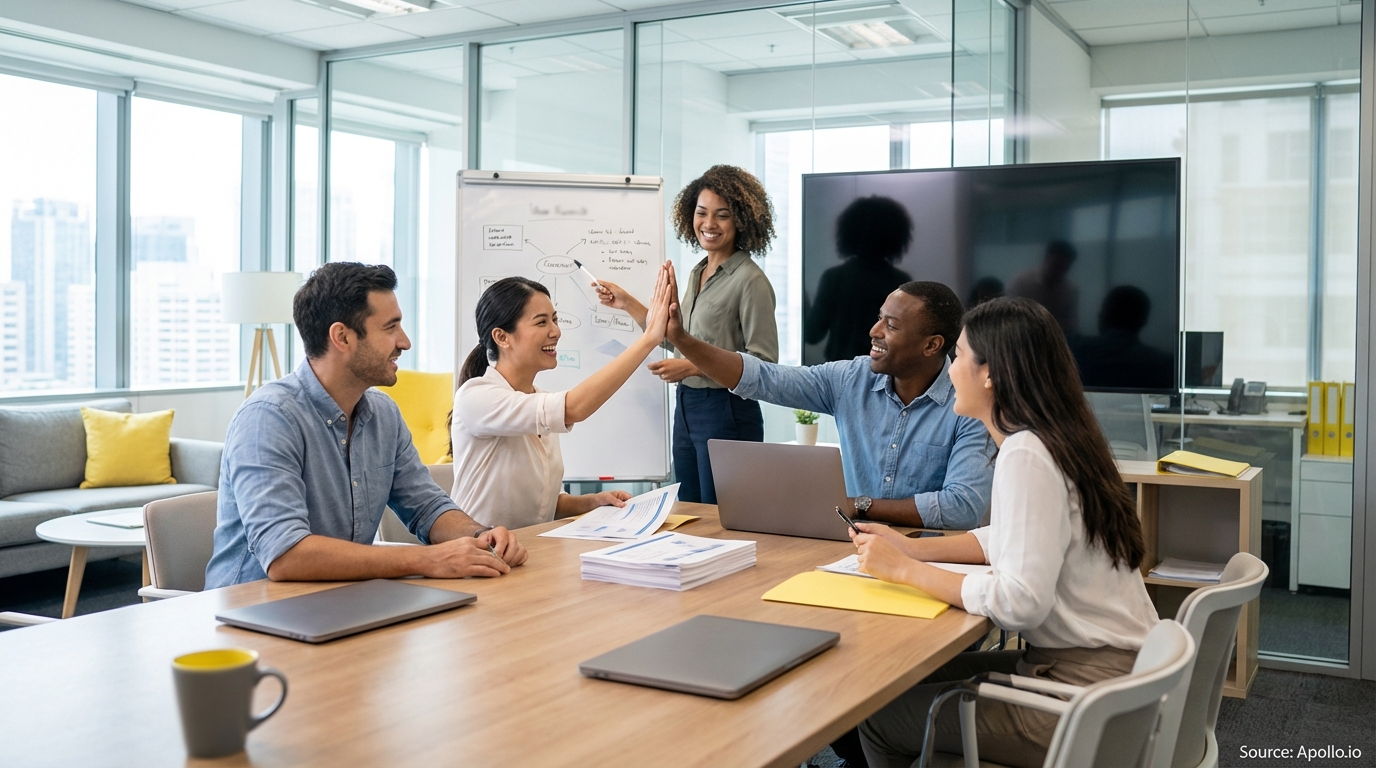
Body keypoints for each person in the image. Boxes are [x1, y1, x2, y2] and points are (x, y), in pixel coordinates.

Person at [850, 297, 1160, 768]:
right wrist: (911, 548)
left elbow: (1020, 601)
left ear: (990, 373)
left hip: (1084, 692)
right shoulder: (1054, 437)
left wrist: (905, 571)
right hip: (1113, 672)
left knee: (878, 715)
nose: (950, 369)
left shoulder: (1025, 453)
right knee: (913, 675)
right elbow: (1011, 537)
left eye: (958, 355)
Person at [205, 263, 527, 589]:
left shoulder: (383, 414)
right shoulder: (268, 419)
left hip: (341, 603)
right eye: (391, 328)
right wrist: (429, 560)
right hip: (251, 617)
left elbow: (427, 508)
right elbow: (286, 555)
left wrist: (480, 537)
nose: (405, 342)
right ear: (342, 337)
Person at [663, 268, 993, 531]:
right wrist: (681, 339)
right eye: (879, 318)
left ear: (932, 345)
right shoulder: (851, 378)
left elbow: (961, 508)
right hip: (852, 547)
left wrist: (858, 505)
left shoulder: (968, 404)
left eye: (890, 326)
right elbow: (763, 379)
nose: (874, 331)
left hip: (930, 557)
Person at [594, 164, 779, 504]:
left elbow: (764, 363)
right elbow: (675, 338)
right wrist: (627, 302)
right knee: (692, 510)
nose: (708, 224)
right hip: (687, 407)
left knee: (727, 516)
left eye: (722, 215)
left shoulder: (750, 281)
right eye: (701, 213)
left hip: (728, 410)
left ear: (741, 219)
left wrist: (691, 367)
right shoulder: (697, 273)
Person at [449, 267, 673, 530]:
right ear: (501, 337)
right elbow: (574, 408)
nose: (556, 331)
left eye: (555, 320)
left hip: (527, 552)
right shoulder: (476, 397)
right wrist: (648, 339)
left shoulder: (538, 400)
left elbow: (543, 505)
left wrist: (593, 501)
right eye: (542, 322)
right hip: (476, 555)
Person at [804, 195, 914, 362]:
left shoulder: (834, 278)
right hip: (884, 374)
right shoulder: (901, 282)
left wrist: (804, 300)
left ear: (848, 231)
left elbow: (812, 335)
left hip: (839, 375)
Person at [1007, 240, 1080, 334]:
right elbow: (1008, 316)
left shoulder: (1070, 290)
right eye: (1056, 264)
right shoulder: (1021, 283)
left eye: (1064, 266)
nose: (1059, 269)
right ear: (1046, 259)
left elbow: (1072, 323)